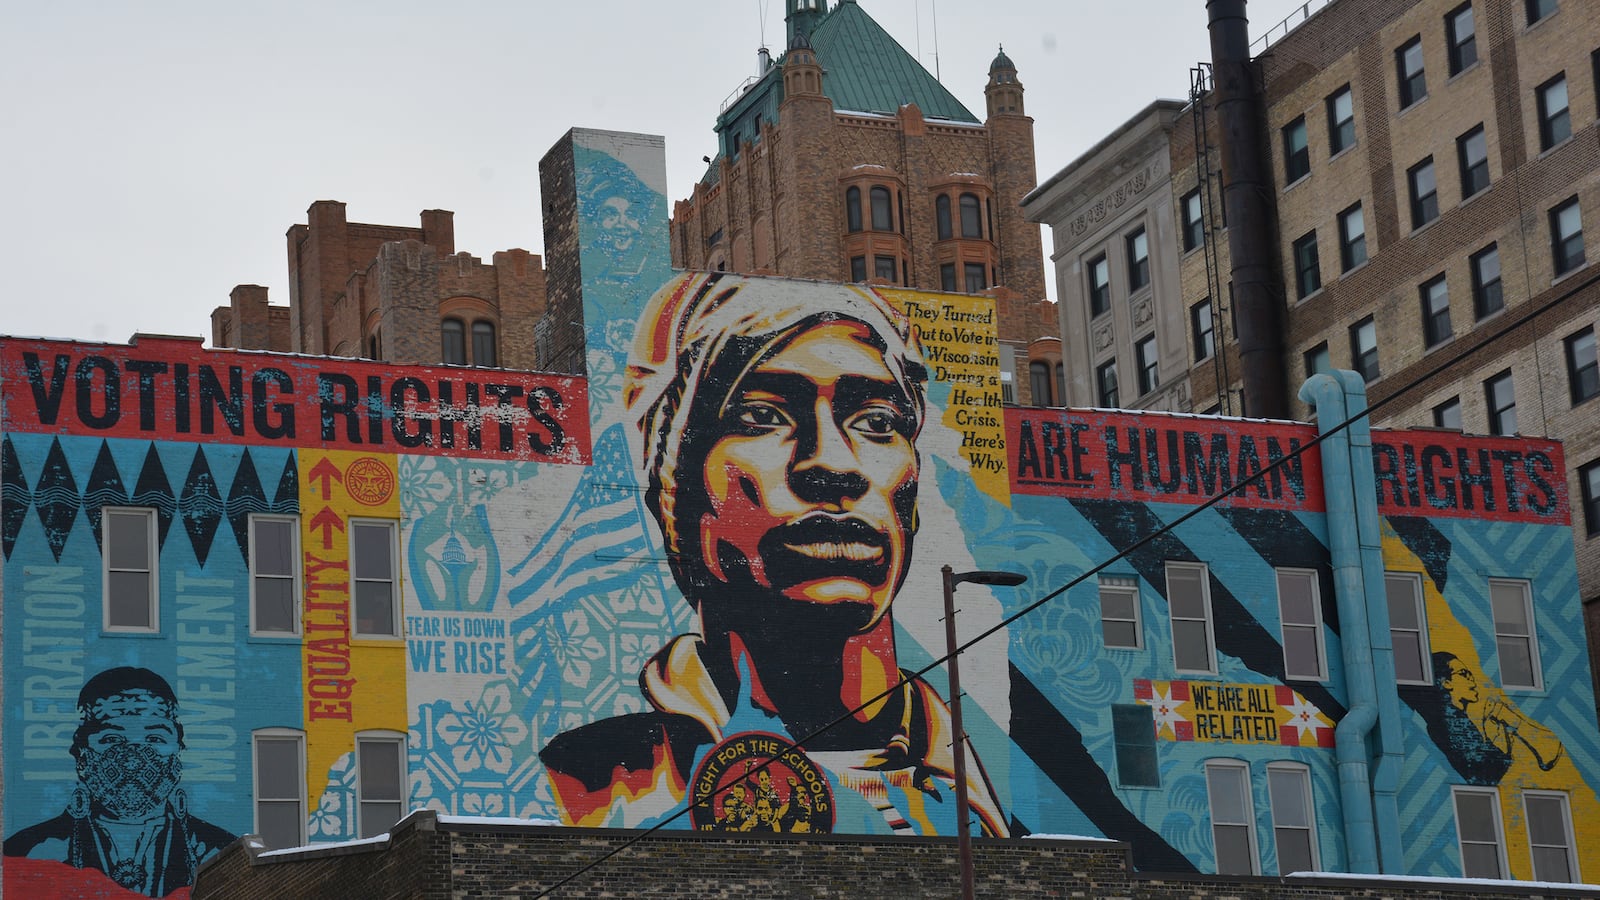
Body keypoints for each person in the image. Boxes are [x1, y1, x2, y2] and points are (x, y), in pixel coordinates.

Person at [540, 272, 1008, 837]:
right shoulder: (592, 784)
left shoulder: (987, 800)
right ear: (674, 486)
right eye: (761, 416)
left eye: (877, 422)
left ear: (911, 486)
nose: (834, 464)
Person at [4, 667, 233, 896]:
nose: (133, 760)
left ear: (178, 752)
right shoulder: (30, 850)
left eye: (155, 738)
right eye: (112, 739)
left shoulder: (217, 851)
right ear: (82, 755)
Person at [1422, 651, 1563, 784]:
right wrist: (1500, 721)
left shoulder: (1457, 717)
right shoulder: (1445, 721)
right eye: (1464, 674)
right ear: (1446, 683)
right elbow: (1486, 774)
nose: (1472, 679)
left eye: (1470, 674)